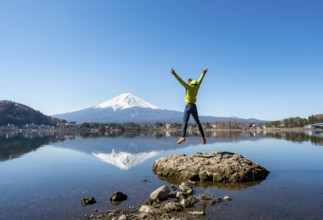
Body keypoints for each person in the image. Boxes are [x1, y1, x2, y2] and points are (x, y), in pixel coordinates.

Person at [171, 68, 208, 144]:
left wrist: (174, 74)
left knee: (185, 121)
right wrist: (203, 72)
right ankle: (203, 137)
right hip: (194, 106)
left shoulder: (188, 86)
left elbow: (180, 81)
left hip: (188, 106)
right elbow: (201, 79)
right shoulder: (197, 85)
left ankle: (182, 137)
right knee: (198, 122)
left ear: (189, 82)